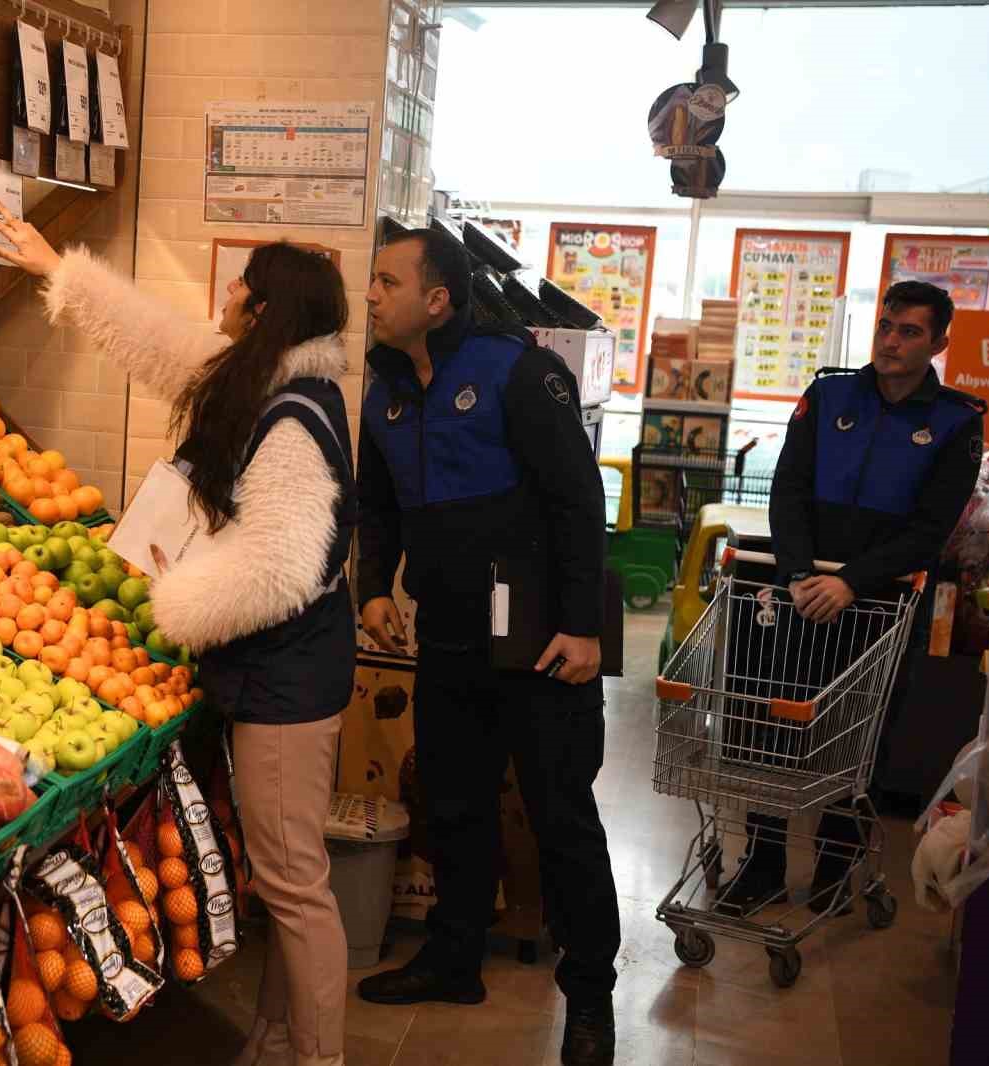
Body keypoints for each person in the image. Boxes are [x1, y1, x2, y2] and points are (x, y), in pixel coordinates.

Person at [0, 207, 357, 1066]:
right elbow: (157, 343)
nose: (224, 295)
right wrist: (59, 270)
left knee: (297, 887)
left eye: (240, 287)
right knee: (284, 878)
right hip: (284, 674)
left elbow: (279, 565)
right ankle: (274, 1039)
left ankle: (319, 1057)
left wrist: (175, 598)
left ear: (263, 312)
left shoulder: (294, 421)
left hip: (288, 686)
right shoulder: (267, 379)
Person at [353, 228, 620, 1066]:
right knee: (457, 803)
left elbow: (580, 502)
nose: (370, 295)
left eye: (387, 282)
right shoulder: (384, 387)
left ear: (437, 301)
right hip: (452, 639)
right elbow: (379, 503)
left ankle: (590, 996)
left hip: (543, 642)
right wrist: (371, 586)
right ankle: (453, 956)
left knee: (560, 817)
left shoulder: (516, 371)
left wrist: (584, 626)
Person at [715, 279, 986, 915]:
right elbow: (787, 491)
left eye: (910, 331)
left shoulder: (954, 422)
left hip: (882, 606)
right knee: (774, 728)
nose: (891, 341)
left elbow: (931, 530)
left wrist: (851, 582)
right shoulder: (829, 394)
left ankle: (836, 872)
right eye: (887, 326)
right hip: (802, 592)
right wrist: (799, 572)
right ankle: (764, 864)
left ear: (939, 341)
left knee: (854, 740)